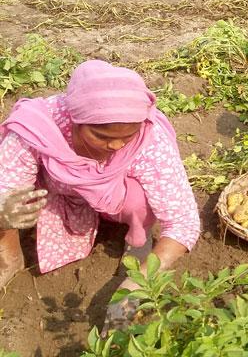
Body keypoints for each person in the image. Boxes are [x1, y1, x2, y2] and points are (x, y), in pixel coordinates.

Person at [0, 60, 200, 331]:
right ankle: (10, 258)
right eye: (102, 136)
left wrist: (135, 287)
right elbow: (6, 185)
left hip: (116, 195)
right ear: (76, 122)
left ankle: (137, 237)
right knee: (12, 202)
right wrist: (3, 214)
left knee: (143, 198)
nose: (116, 145)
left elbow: (183, 221)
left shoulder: (149, 138)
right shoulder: (38, 128)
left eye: (127, 136)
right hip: (51, 192)